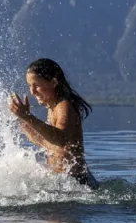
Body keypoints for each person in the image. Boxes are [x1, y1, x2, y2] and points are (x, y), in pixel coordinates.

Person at [8, 58, 99, 189]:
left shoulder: (64, 106)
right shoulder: (52, 107)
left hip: (77, 182)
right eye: (29, 86)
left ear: (53, 82)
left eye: (37, 85)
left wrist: (28, 117)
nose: (32, 91)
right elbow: (46, 142)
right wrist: (22, 121)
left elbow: (60, 139)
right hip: (63, 181)